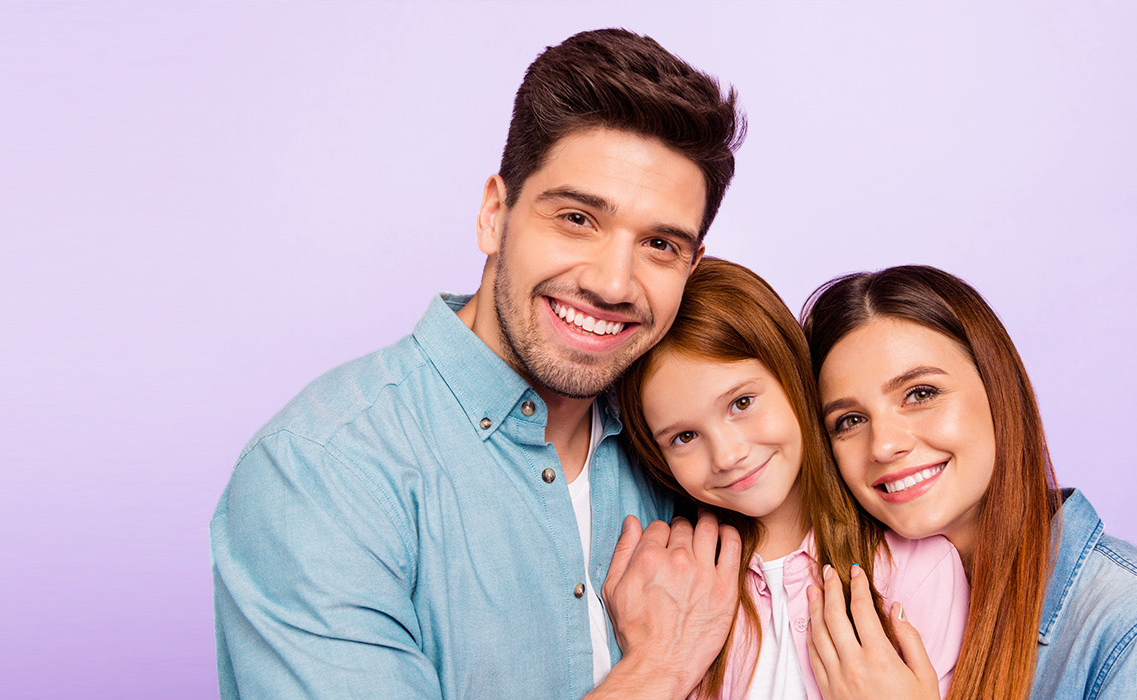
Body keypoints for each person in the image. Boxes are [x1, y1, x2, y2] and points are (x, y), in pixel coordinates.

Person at [212, 29, 747, 700]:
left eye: (660, 243)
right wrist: (660, 668)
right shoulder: (320, 470)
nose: (613, 283)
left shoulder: (692, 450)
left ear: (691, 266)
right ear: (495, 214)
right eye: (577, 218)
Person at [798, 265, 1137, 700]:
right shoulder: (849, 609)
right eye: (850, 420)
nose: (884, 445)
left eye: (920, 394)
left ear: (1001, 392)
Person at [618, 258, 967, 700]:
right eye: (684, 436)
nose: (727, 455)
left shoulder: (917, 569)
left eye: (742, 402)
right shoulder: (675, 585)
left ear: (794, 378)